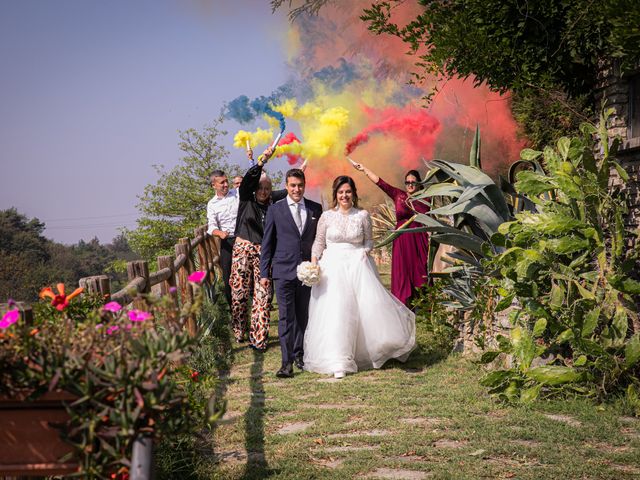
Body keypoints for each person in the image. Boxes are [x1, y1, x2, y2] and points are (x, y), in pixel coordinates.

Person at [304, 176, 416, 379]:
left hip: (357, 265)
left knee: (364, 310)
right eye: (340, 192)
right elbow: (319, 242)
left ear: (353, 193)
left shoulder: (363, 215)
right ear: (335, 195)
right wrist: (313, 264)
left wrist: (365, 251)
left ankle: (364, 352)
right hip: (333, 268)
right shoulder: (327, 217)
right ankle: (338, 359)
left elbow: (369, 241)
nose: (344, 195)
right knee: (337, 311)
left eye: (347, 191)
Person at [260, 168, 323, 378]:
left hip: (307, 273)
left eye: (300, 185)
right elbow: (267, 244)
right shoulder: (275, 210)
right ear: (286, 186)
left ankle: (300, 354)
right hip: (283, 271)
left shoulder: (316, 209)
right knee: (286, 318)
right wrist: (264, 274)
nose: (296, 189)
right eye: (293, 185)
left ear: (305, 185)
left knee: (303, 316)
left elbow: (319, 241)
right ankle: (286, 363)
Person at [229, 146, 286, 349]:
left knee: (263, 295)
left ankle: (259, 339)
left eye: (267, 189)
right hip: (242, 249)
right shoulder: (246, 197)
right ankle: (239, 329)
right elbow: (248, 180)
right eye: (260, 188)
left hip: (264, 253)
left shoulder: (273, 203)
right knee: (239, 294)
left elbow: (291, 189)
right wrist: (262, 160)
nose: (263, 192)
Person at [351, 162, 430, 306]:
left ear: (419, 183)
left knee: (421, 271)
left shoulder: (427, 199)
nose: (410, 185)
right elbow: (381, 183)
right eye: (408, 182)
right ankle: (403, 303)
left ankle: (424, 305)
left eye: (413, 182)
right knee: (402, 272)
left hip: (419, 240)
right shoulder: (399, 195)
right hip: (401, 240)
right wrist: (364, 169)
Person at [207, 169, 239, 307]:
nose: (226, 184)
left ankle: (250, 306)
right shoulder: (212, 204)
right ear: (214, 185)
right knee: (228, 278)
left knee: (247, 274)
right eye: (222, 182)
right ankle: (234, 312)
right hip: (227, 243)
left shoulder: (237, 194)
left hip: (243, 239)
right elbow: (211, 227)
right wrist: (220, 233)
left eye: (226, 181)